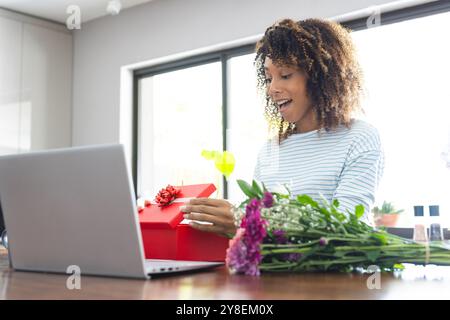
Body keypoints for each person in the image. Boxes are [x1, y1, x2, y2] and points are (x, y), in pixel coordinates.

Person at [181, 18, 384, 237]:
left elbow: (349, 229)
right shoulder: (270, 150)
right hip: (279, 271)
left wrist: (248, 222)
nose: (272, 89)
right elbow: (261, 233)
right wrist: (233, 223)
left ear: (319, 77)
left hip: (338, 272)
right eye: (268, 78)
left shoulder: (359, 137)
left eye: (285, 75)